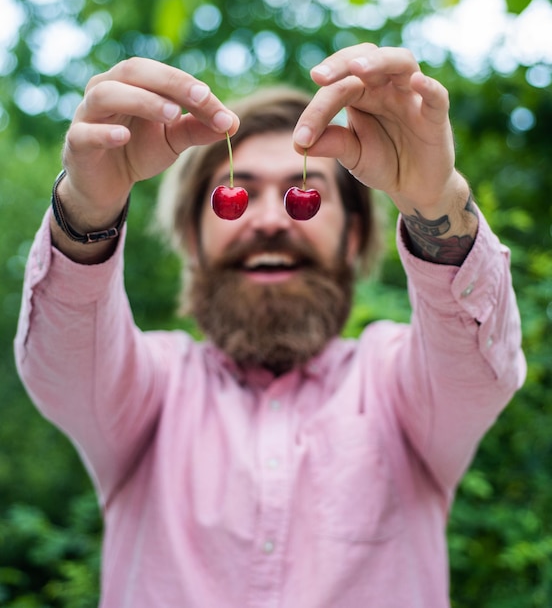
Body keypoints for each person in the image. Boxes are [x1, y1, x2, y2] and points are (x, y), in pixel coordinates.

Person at [15, 43, 525, 607]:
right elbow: (61, 361)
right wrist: (87, 210)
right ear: (192, 238)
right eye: (240, 194)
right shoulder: (150, 389)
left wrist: (435, 202)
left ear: (354, 237)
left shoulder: (397, 386)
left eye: (299, 194)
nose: (266, 220)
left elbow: (480, 367)